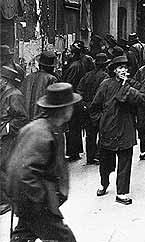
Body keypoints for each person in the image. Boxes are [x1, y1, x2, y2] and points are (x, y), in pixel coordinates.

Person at [7, 83, 80, 241]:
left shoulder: (45, 127)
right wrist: (40, 202)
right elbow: (23, 173)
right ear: (64, 109)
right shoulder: (41, 133)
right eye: (71, 106)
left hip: (28, 201)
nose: (72, 109)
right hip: (35, 204)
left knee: (22, 238)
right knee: (65, 239)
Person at [90, 55, 144, 205]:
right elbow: (95, 106)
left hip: (126, 127)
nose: (123, 71)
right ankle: (104, 183)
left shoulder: (132, 84)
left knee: (125, 162)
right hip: (108, 128)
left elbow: (141, 99)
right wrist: (101, 120)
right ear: (114, 70)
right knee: (105, 161)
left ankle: (121, 193)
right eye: (120, 68)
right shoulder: (106, 84)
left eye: (125, 68)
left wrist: (128, 87)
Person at [0, 66, 28, 215]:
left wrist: (7, 128)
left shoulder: (14, 95)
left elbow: (22, 118)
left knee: (3, 166)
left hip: (8, 138)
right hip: (3, 136)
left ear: (5, 81)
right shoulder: (5, 93)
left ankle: (6, 200)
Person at [62, 40, 93, 161]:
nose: (68, 53)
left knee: (72, 126)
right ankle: (76, 151)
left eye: (70, 51)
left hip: (72, 97)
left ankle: (73, 152)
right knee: (76, 126)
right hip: (78, 97)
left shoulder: (75, 66)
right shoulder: (83, 61)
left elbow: (68, 83)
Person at [76, 52, 109, 165]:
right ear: (105, 65)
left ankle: (90, 157)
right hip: (99, 108)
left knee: (90, 134)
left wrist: (84, 103)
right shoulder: (106, 77)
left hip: (87, 108)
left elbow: (79, 90)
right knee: (102, 132)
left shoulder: (87, 75)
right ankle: (99, 156)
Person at [22, 50, 58, 120]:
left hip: (26, 120)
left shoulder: (28, 77)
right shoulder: (52, 79)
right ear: (51, 67)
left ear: (39, 64)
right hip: (41, 122)